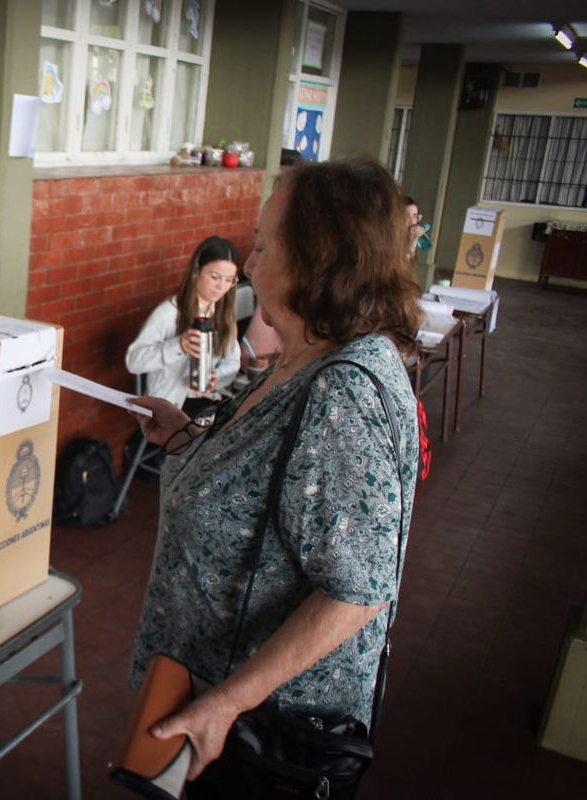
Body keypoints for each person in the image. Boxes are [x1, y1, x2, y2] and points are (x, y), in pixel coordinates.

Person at [127, 156, 421, 792]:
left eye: (263, 244)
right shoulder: (306, 358)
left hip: (262, 729)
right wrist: (186, 434)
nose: (251, 263)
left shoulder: (342, 392)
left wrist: (227, 702)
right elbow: (270, 475)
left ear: (319, 260)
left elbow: (359, 591)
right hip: (213, 692)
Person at [125, 236, 242, 418]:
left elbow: (233, 362)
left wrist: (216, 378)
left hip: (204, 400)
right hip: (170, 406)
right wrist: (178, 346)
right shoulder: (169, 313)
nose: (222, 287)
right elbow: (134, 362)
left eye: (229, 280)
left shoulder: (222, 314)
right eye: (215, 277)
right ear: (197, 271)